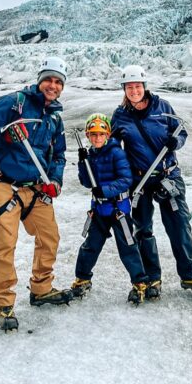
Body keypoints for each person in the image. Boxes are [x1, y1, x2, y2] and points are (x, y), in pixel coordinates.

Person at [0, 56, 73, 332]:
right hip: (3, 184)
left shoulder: (54, 118)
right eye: (48, 80)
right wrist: (4, 134)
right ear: (39, 80)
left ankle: (41, 289)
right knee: (4, 244)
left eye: (57, 82)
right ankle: (4, 304)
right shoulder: (13, 102)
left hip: (35, 187)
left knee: (49, 236)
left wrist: (55, 179)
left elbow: (60, 155)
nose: (52, 86)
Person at [111, 65, 192, 301]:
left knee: (179, 226)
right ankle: (151, 278)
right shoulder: (120, 115)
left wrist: (176, 142)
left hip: (168, 176)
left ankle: (190, 275)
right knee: (143, 229)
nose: (134, 91)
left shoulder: (162, 107)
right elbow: (113, 147)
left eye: (137, 86)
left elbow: (180, 132)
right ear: (124, 89)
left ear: (144, 87)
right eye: (129, 87)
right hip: (139, 180)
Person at [71, 113, 149, 304]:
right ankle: (82, 279)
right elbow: (86, 181)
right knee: (90, 246)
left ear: (108, 135)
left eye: (101, 134)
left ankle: (140, 283)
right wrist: (83, 163)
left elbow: (125, 180)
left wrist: (104, 190)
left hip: (118, 210)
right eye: (93, 134)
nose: (97, 138)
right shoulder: (90, 154)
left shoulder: (116, 153)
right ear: (88, 135)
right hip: (98, 211)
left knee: (128, 247)